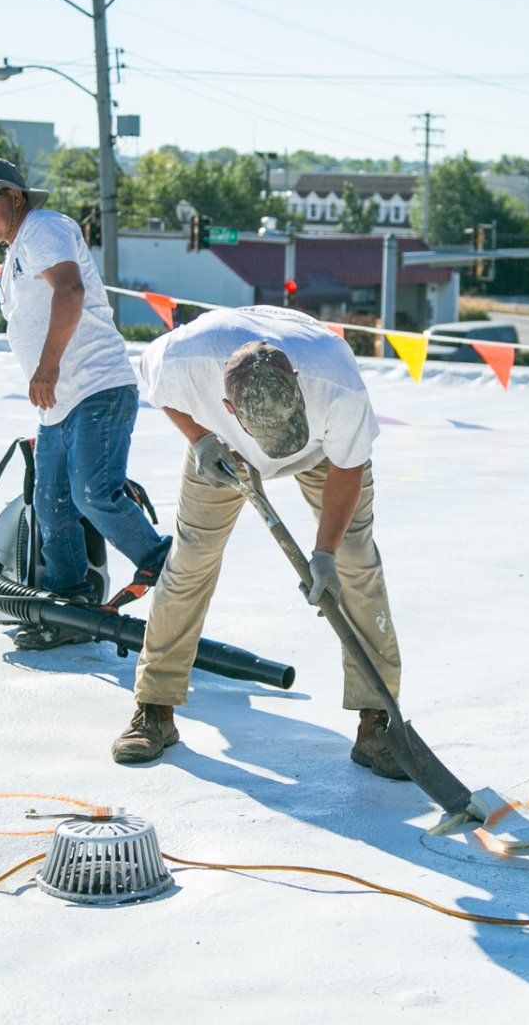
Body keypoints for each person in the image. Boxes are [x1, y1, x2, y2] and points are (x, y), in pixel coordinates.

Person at [114, 305, 407, 779]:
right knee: (190, 560)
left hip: (324, 452)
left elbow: (348, 468)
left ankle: (378, 722)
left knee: (356, 563)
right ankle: (155, 708)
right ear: (228, 406)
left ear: (296, 378)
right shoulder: (186, 358)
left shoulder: (337, 384)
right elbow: (153, 379)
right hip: (224, 448)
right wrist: (200, 437)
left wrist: (326, 554)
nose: (279, 447)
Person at [0, 158, 170, 648]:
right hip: (56, 407)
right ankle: (70, 611)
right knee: (51, 506)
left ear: (17, 197)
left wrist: (47, 367)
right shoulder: (17, 250)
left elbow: (71, 290)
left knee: (93, 493)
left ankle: (167, 565)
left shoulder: (43, 227)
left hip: (96, 387)